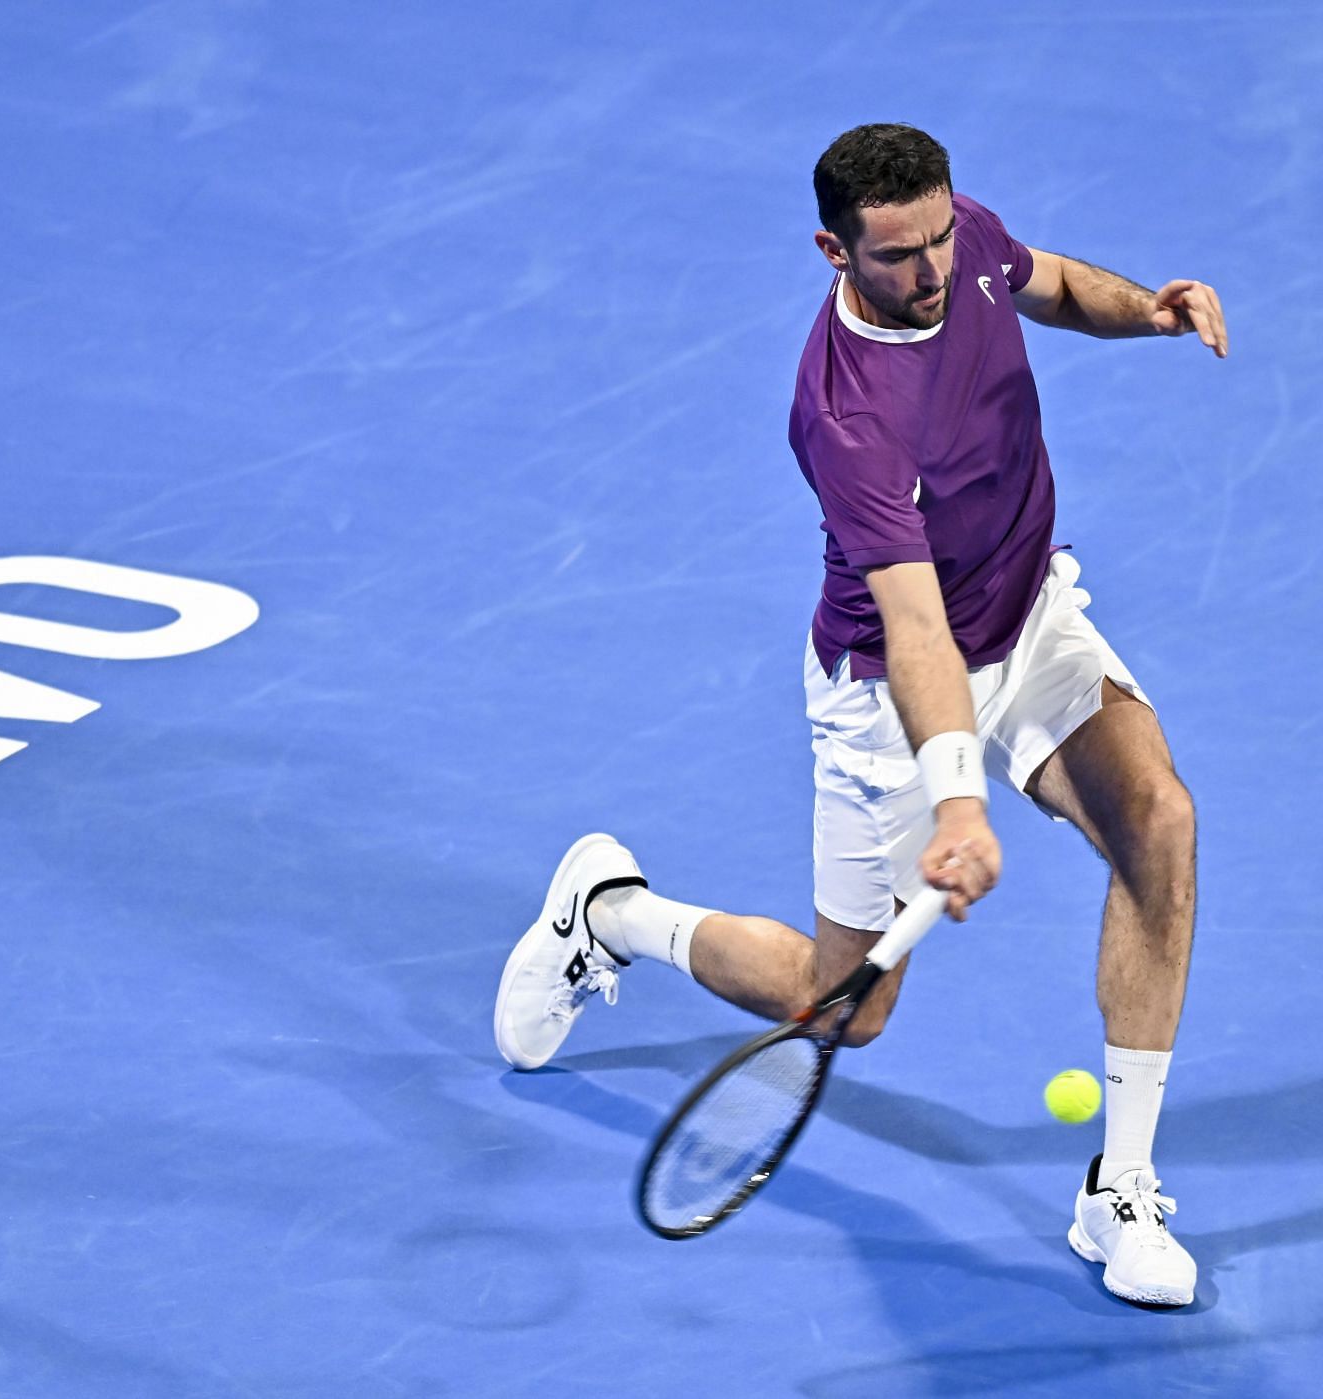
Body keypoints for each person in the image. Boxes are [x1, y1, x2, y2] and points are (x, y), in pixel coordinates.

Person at [493, 123, 1226, 1308]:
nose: (935, 269)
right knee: (846, 1010)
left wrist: (1147, 309)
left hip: (1029, 609)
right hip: (889, 684)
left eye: (941, 235)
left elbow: (1045, 280)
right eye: (901, 255)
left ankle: (1122, 1185)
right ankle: (613, 914)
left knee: (1160, 821)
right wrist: (956, 797)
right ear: (833, 250)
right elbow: (915, 628)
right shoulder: (844, 414)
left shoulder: (959, 237)